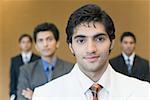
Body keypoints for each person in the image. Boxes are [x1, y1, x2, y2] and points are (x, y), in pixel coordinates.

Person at [32, 4, 150, 100]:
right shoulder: (45, 95)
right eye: (81, 40)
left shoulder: (142, 92)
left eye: (99, 39)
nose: (91, 49)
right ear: (71, 46)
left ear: (111, 42)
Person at [17, 22, 74, 100]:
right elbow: (21, 98)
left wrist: (36, 97)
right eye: (40, 40)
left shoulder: (70, 69)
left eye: (49, 39)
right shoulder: (26, 70)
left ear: (57, 43)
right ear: (36, 46)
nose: (45, 44)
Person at [9, 34, 40, 100]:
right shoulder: (14, 60)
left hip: (34, 94)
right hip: (19, 94)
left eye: (28, 42)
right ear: (20, 44)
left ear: (31, 44)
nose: (26, 44)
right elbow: (13, 79)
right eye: (23, 42)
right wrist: (12, 95)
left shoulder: (38, 59)